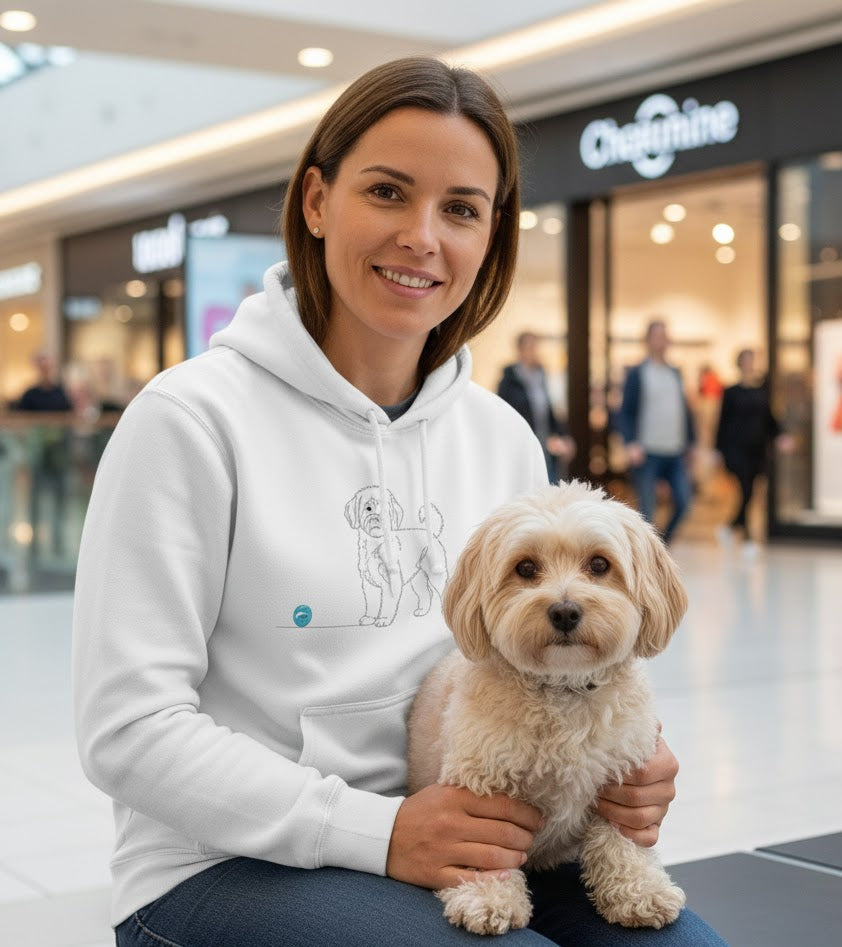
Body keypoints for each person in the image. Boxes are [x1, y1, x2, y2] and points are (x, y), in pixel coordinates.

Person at [72, 57, 726, 947]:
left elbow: (551, 651)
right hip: (225, 866)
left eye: (460, 208)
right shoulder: (187, 420)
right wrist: (377, 831)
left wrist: (625, 770)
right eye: (387, 192)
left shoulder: (500, 435)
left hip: (481, 834)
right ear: (315, 201)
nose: (422, 236)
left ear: (490, 234)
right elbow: (128, 730)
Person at [618, 319, 696, 545]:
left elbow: (684, 410)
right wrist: (630, 442)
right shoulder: (637, 373)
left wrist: (691, 442)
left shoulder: (675, 373)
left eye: (665, 335)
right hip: (647, 451)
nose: (662, 340)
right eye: (658, 335)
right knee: (647, 511)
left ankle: (660, 548)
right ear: (648, 340)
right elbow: (626, 412)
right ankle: (647, 555)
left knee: (684, 502)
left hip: (675, 451)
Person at [714, 349, 793, 554]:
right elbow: (722, 423)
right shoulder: (731, 392)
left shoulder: (761, 391)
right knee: (745, 488)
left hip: (757, 450)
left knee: (751, 490)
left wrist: (781, 436)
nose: (750, 364)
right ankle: (748, 537)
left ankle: (732, 525)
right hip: (736, 449)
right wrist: (718, 451)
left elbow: (770, 420)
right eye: (746, 360)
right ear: (739, 364)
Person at [14, 351, 73, 559]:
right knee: (35, 501)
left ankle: (57, 545)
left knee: (59, 499)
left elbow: (70, 417)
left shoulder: (60, 392)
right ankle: (34, 548)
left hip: (57, 455)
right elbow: (21, 421)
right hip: (38, 454)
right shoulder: (30, 394)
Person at [497, 330, 575, 482]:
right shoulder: (509, 380)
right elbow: (503, 414)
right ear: (520, 350)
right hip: (520, 447)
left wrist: (563, 436)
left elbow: (549, 410)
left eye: (536, 347)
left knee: (549, 484)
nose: (535, 351)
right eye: (531, 347)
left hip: (544, 444)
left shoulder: (541, 375)